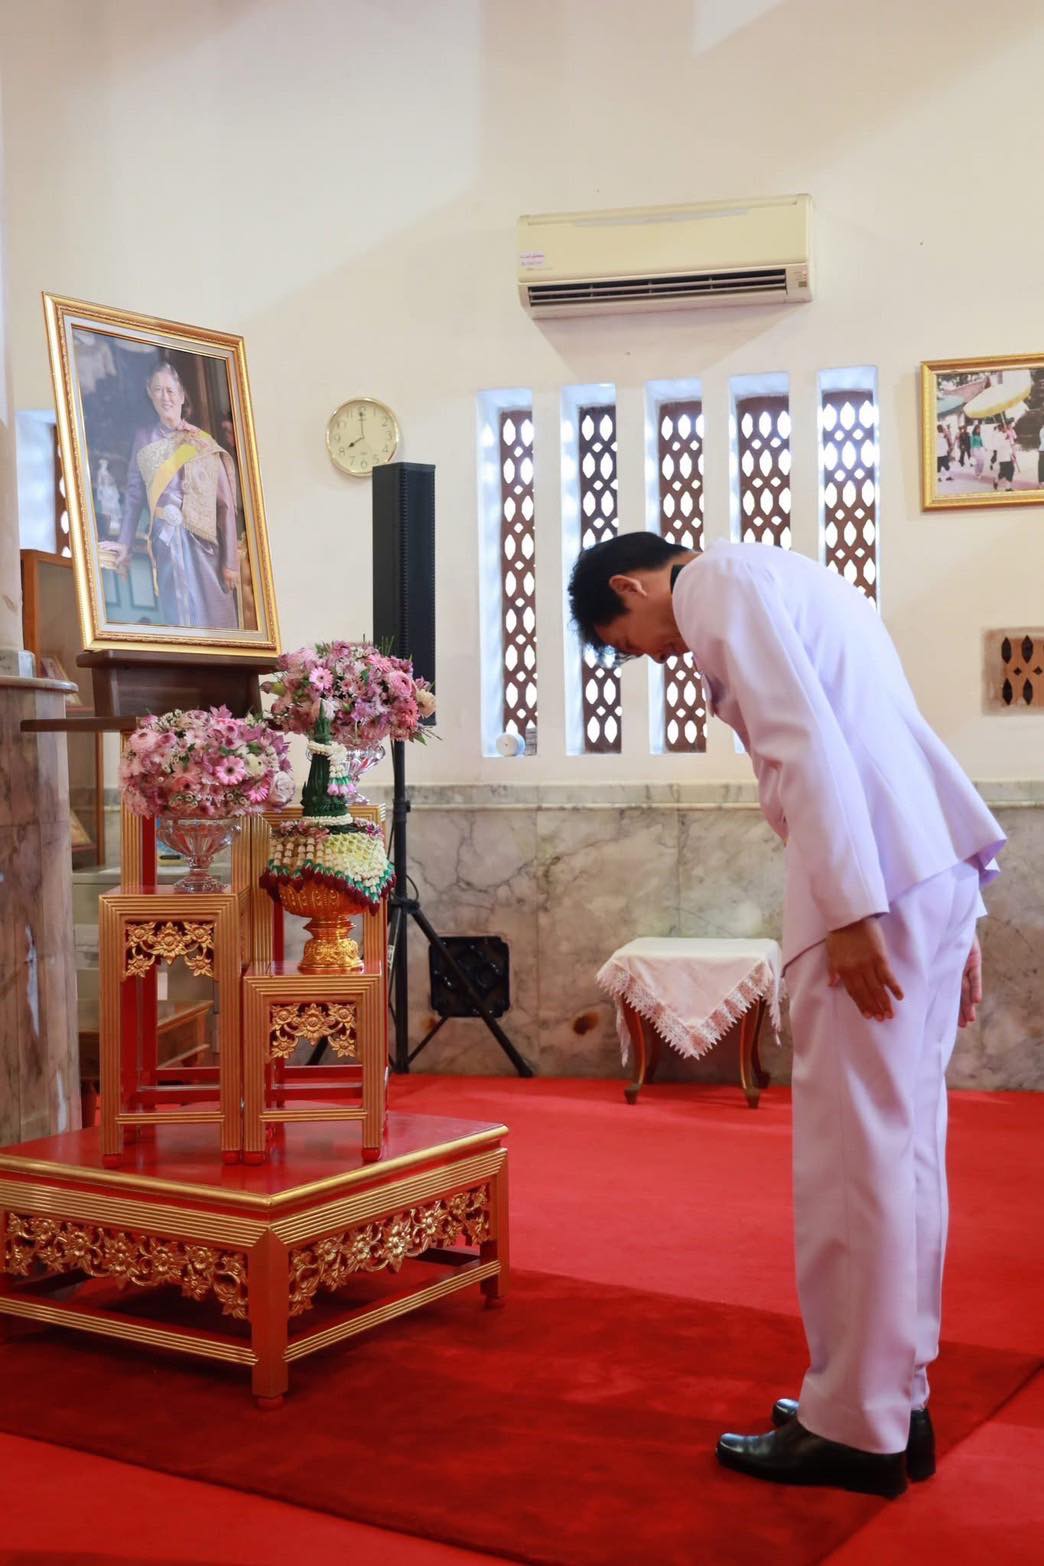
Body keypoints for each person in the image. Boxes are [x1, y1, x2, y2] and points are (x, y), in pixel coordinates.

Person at [567, 533, 1004, 1499]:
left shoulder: (717, 581)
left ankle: (853, 1426)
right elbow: (894, 731)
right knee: (908, 1149)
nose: (653, 657)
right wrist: (960, 901)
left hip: (873, 885)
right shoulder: (803, 576)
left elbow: (799, 737)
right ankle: (893, 1398)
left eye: (630, 638)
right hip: (924, 870)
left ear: (631, 585)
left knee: (855, 1159)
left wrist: (848, 908)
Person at [113, 362, 240, 629]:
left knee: (211, 618)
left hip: (202, 543)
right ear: (150, 394)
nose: (165, 397)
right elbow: (135, 495)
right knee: (177, 618)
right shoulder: (144, 438)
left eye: (170, 390)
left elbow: (226, 506)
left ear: (182, 396)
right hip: (165, 542)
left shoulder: (201, 442)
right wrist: (124, 543)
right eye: (158, 390)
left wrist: (230, 563)